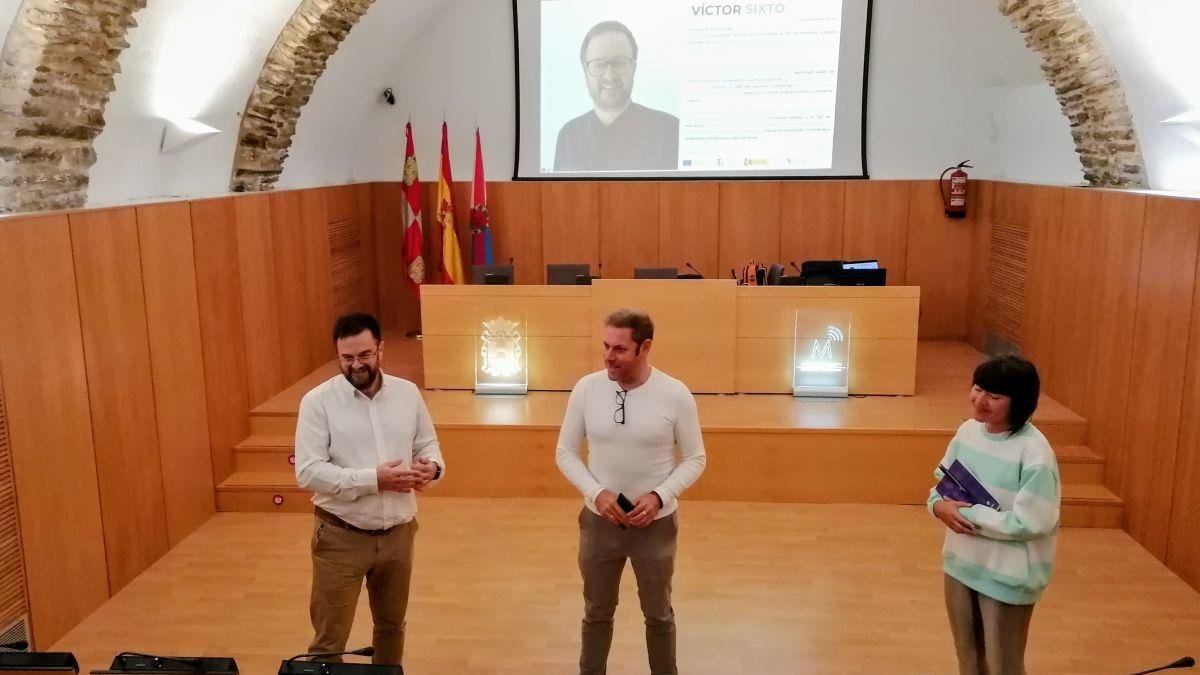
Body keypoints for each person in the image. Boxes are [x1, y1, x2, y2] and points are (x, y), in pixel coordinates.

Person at [556, 308, 707, 675]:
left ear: (645, 347)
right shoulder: (586, 389)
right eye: (606, 346)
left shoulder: (675, 394)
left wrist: (659, 497)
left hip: (655, 528)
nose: (609, 356)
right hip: (598, 525)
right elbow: (565, 452)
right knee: (596, 613)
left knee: (658, 615)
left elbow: (695, 458)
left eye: (620, 349)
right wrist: (596, 493)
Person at [294, 312, 444, 666]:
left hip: (399, 536)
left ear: (381, 350)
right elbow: (308, 472)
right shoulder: (317, 402)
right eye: (347, 358)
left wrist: (432, 468)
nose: (356, 365)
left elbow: (428, 445)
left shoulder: (407, 393)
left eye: (364, 355)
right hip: (340, 538)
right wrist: (374, 479)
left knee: (392, 628)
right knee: (330, 640)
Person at [927, 355, 1060, 675]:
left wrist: (971, 515)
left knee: (1003, 667)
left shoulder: (1034, 452)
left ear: (1019, 402)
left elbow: (1033, 522)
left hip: (1007, 575)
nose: (980, 400)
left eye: (994, 396)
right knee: (969, 661)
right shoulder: (967, 432)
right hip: (961, 564)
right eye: (977, 388)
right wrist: (936, 505)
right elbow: (943, 484)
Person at [553, 20, 680, 172]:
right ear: (585, 72)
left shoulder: (669, 131)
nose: (609, 75)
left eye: (620, 63)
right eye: (599, 65)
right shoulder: (569, 135)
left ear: (634, 68)